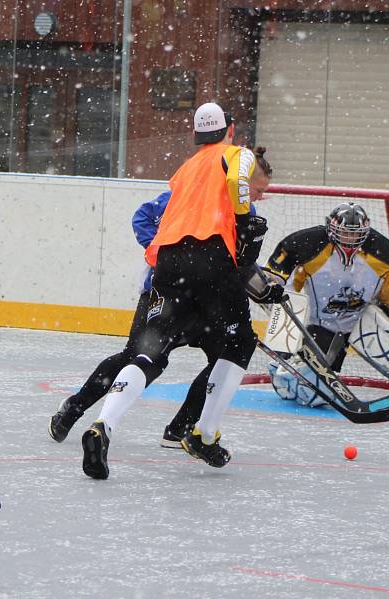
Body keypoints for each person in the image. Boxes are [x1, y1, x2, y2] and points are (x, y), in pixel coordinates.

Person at [79, 102, 279, 479]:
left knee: (148, 355)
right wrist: (243, 222)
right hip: (210, 257)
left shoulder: (185, 169)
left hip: (169, 262)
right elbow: (238, 184)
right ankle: (203, 434)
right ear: (230, 131)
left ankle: (103, 425)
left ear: (196, 135)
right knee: (239, 343)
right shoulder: (237, 155)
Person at [264, 202, 389, 419]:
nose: (349, 239)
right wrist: (284, 346)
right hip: (322, 327)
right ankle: (283, 373)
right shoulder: (309, 245)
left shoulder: (377, 249)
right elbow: (283, 291)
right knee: (310, 394)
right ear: (331, 228)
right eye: (344, 232)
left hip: (361, 321)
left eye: (355, 234)